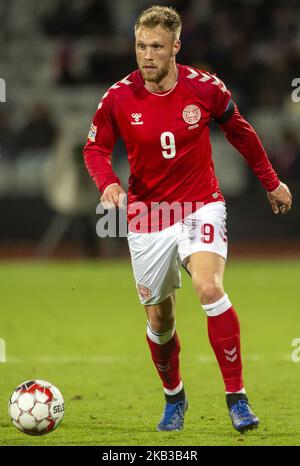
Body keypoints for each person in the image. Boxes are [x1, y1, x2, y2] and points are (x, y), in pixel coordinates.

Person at [83, 5, 292, 433]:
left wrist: (271, 181)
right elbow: (95, 149)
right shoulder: (118, 97)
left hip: (200, 203)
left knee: (209, 286)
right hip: (148, 214)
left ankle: (237, 398)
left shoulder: (205, 88)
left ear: (176, 46)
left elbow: (241, 132)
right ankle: (174, 397)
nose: (147, 55)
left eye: (156, 47)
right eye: (140, 46)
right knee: (160, 321)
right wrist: (108, 183)